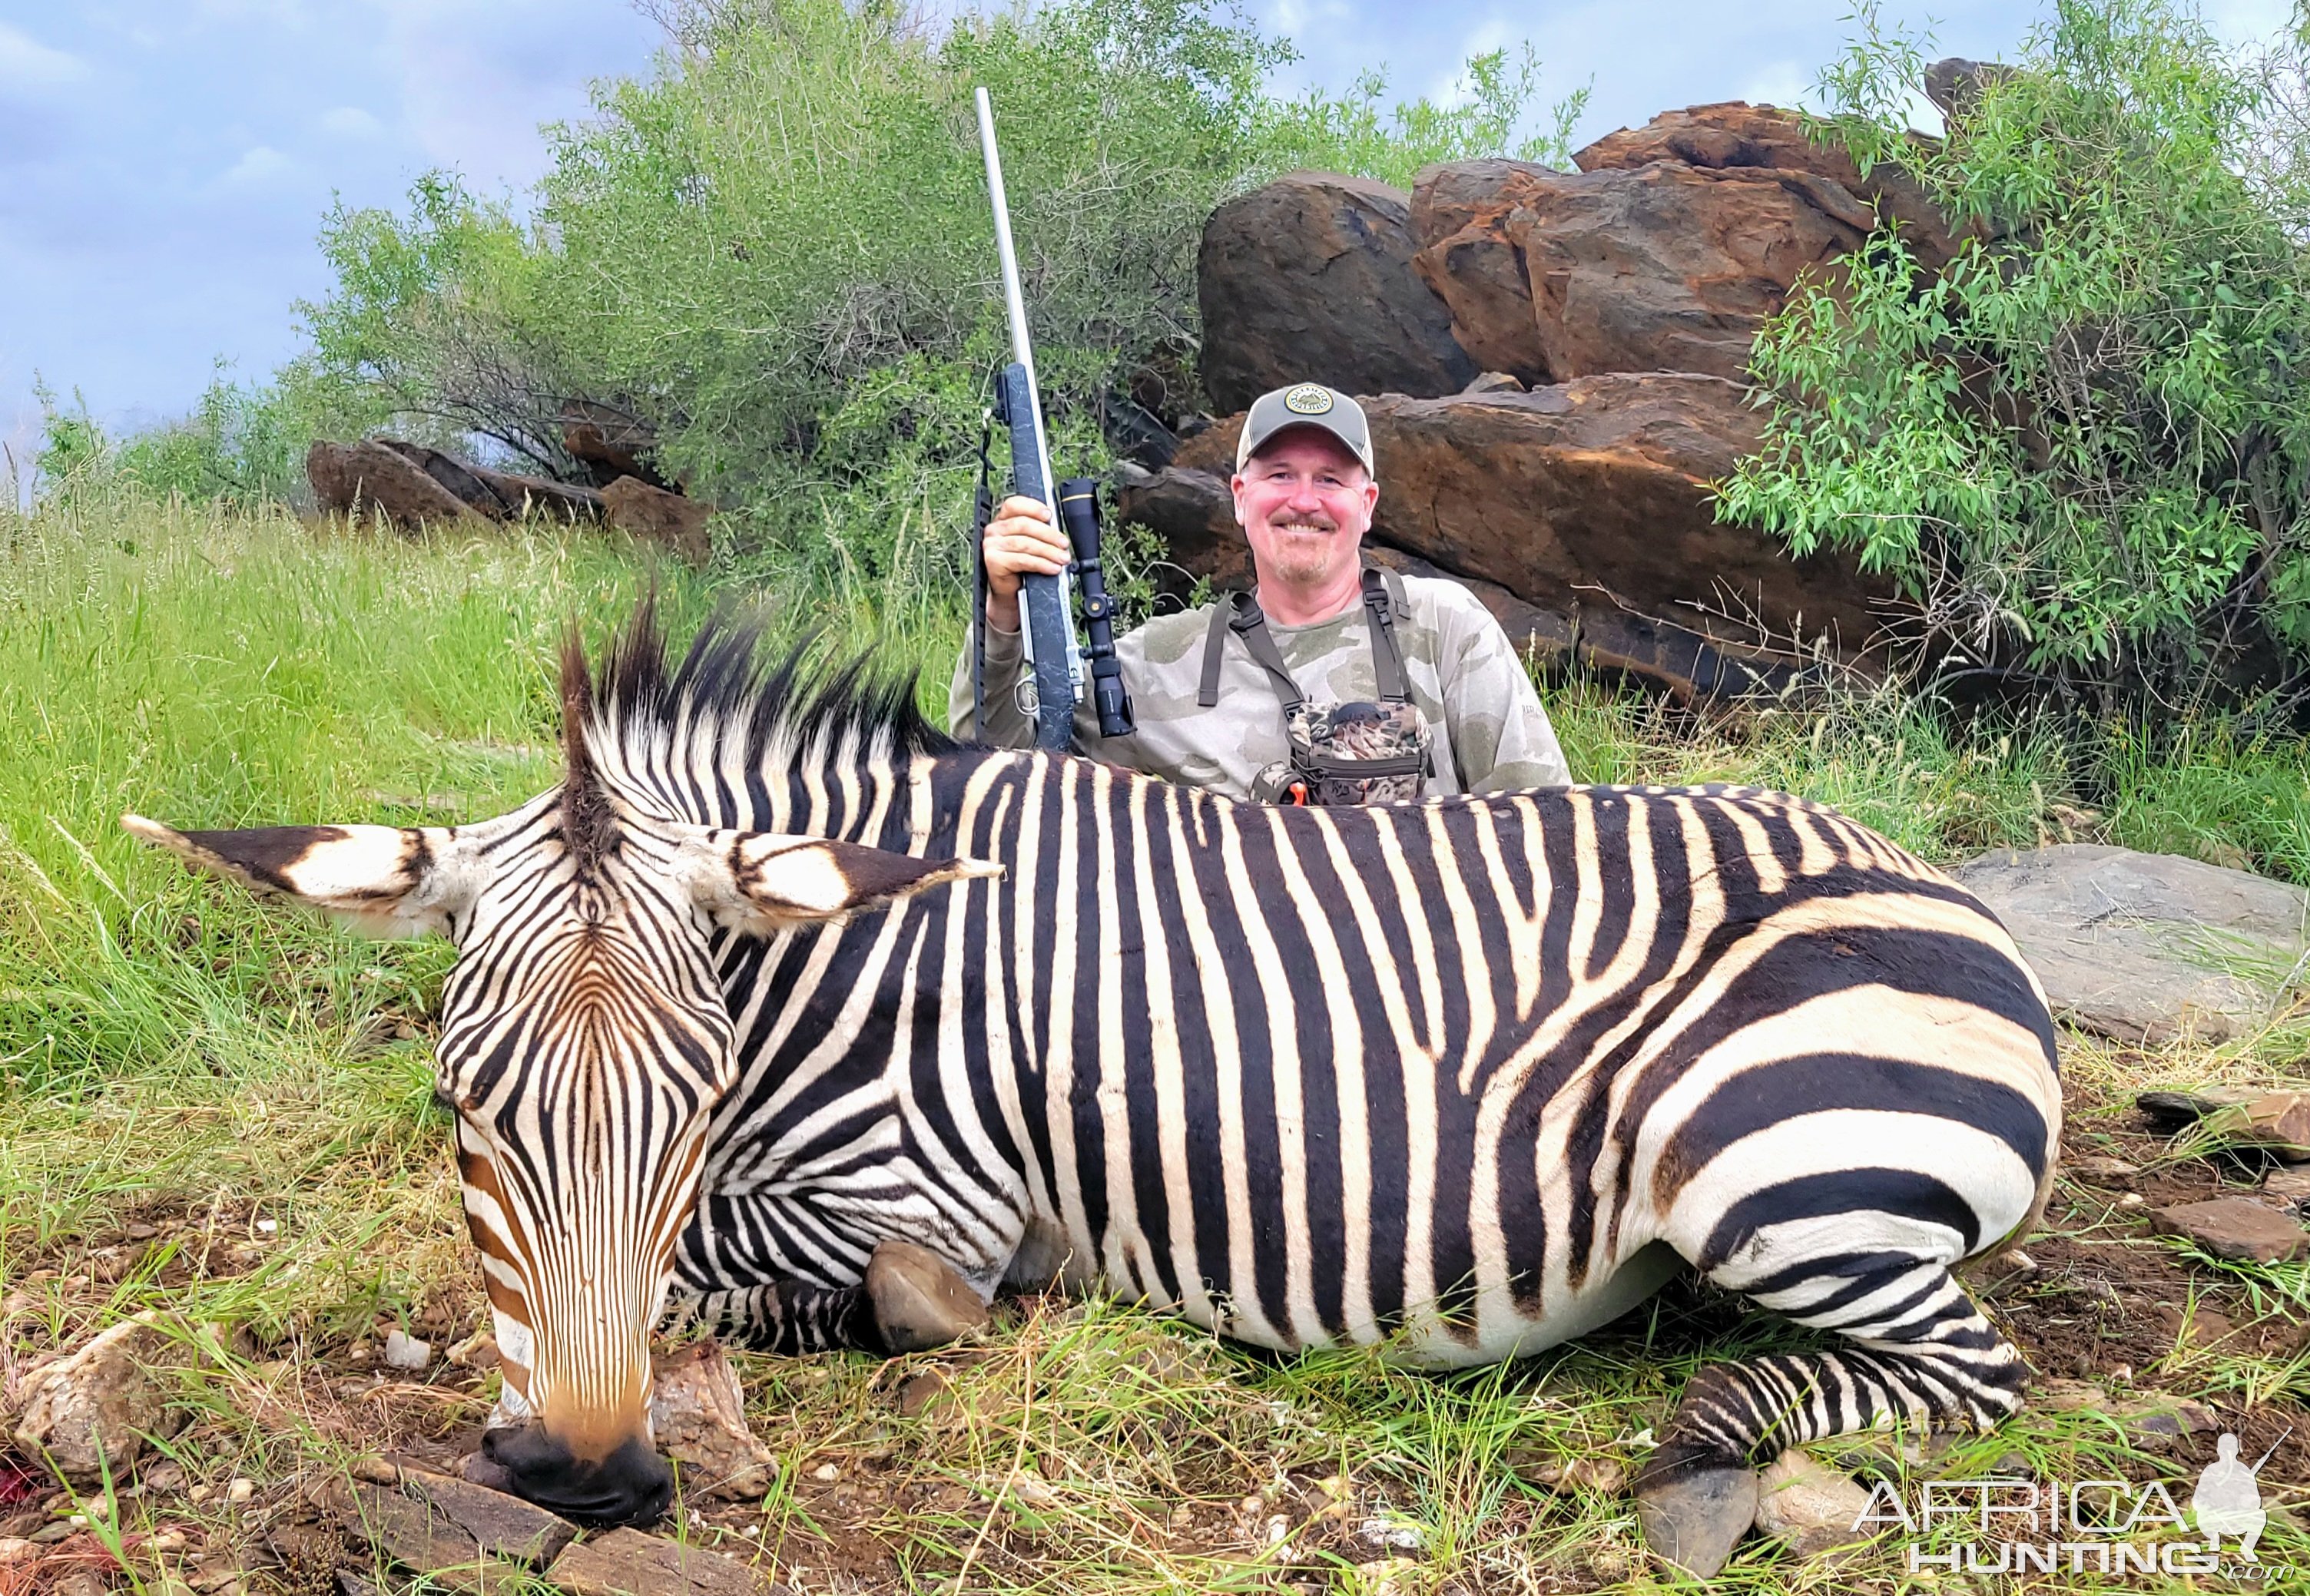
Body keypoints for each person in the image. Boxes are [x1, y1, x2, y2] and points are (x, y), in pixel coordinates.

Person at [949, 382, 1572, 801]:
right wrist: (1003, 609)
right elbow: (992, 757)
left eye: (1330, 478)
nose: (1304, 500)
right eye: (1279, 475)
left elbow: (1540, 826)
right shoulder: (1155, 664)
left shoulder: (1443, 626)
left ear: (1367, 504)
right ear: (1241, 498)